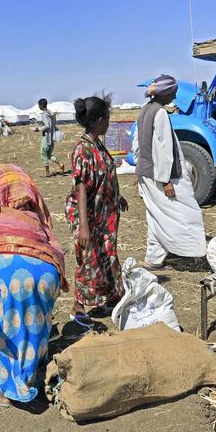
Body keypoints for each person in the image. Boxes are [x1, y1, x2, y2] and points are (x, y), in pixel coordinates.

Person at [0, 164, 68, 407]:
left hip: (14, 274)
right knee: (37, 326)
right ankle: (38, 373)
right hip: (49, 272)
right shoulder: (36, 217)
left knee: (8, 330)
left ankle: (10, 390)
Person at [65, 95, 127, 327]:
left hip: (104, 214)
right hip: (88, 215)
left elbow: (103, 176)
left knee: (107, 254)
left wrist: (116, 196)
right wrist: (84, 226)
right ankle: (78, 306)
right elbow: (80, 188)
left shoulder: (97, 145)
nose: (109, 123)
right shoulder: (83, 150)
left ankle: (113, 296)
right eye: (108, 119)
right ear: (100, 120)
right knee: (89, 259)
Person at [134, 74, 207, 268]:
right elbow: (164, 149)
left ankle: (153, 258)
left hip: (146, 173)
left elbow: (138, 143)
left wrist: (138, 170)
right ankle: (197, 252)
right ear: (164, 94)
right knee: (186, 213)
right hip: (161, 175)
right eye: (172, 94)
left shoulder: (144, 110)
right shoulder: (160, 114)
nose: (174, 98)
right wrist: (166, 180)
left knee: (156, 215)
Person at [35, 98, 65, 177]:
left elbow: (47, 126)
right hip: (51, 137)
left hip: (47, 137)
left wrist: (38, 129)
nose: (39, 106)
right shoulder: (50, 113)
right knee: (48, 154)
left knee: (43, 153)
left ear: (41, 105)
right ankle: (60, 164)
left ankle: (48, 173)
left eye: (39, 105)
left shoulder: (44, 114)